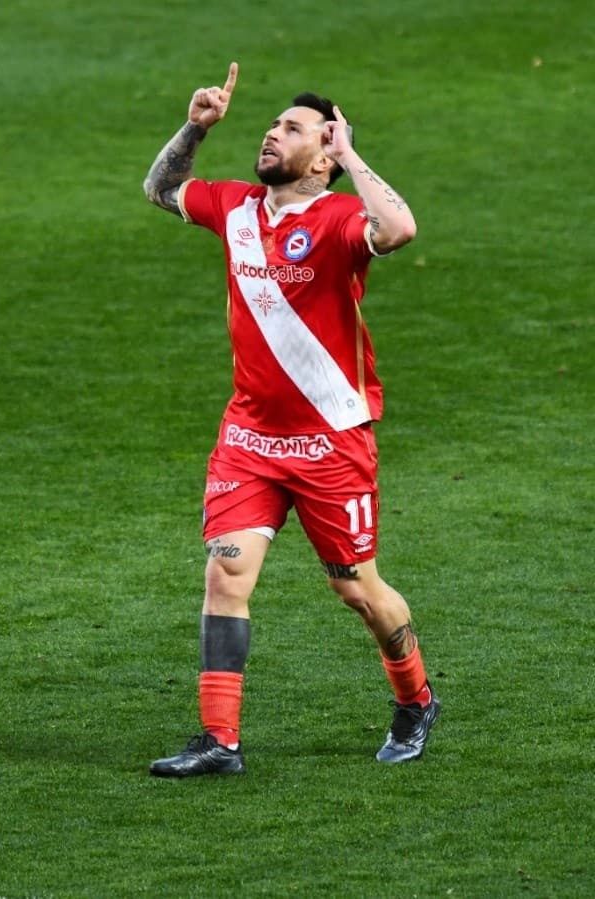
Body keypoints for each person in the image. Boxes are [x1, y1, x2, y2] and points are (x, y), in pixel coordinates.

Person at [143, 62, 440, 777]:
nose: (272, 133)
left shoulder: (339, 220)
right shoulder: (235, 206)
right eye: (273, 124)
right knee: (226, 574)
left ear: (323, 155)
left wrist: (352, 152)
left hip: (331, 441)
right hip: (248, 438)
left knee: (356, 588)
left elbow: (400, 227)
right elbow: (159, 188)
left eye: (294, 128)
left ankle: (416, 698)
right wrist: (195, 128)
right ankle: (220, 740)